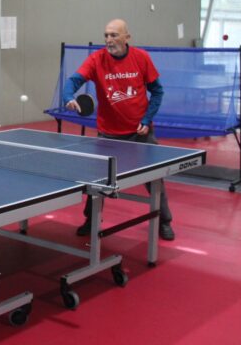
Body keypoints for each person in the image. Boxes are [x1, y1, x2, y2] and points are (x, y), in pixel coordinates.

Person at [63, 19, 175, 241]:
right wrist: (68, 97)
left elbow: (158, 92)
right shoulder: (96, 59)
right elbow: (74, 81)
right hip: (108, 134)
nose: (108, 40)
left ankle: (164, 220)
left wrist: (147, 118)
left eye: (114, 35)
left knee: (154, 179)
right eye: (106, 35)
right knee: (99, 181)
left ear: (127, 38)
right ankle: (91, 219)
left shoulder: (141, 58)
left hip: (140, 133)